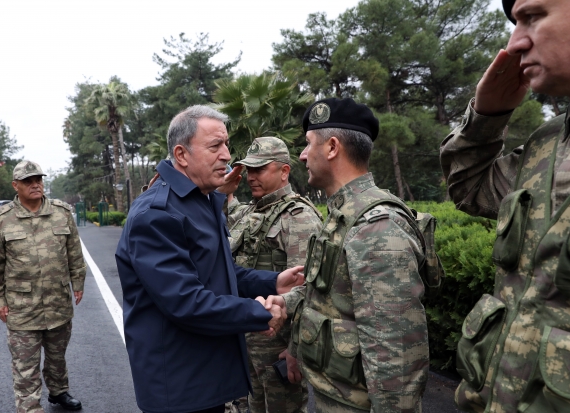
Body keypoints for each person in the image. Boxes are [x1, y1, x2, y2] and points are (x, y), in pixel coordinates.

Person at [440, 0, 570, 411]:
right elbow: (470, 188)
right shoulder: (547, 145)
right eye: (513, 22)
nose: (515, 43)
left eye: (533, 16)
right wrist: (487, 115)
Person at [115, 105, 305, 413]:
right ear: (182, 155)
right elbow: (185, 301)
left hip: (204, 374)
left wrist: (272, 281)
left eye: (226, 144)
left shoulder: (198, 200)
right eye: (215, 146)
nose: (227, 155)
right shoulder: (158, 214)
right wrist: (258, 313)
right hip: (179, 385)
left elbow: (218, 272)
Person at [266, 98, 430, 412]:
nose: (302, 155)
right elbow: (327, 296)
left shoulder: (377, 227)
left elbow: (395, 352)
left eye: (307, 144)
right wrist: (288, 311)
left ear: (331, 148)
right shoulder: (341, 216)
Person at [224, 136, 323, 413]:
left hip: (277, 343)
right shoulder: (252, 212)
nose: (251, 177)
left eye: (260, 169)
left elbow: (307, 290)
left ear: (283, 171)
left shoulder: (298, 217)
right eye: (249, 170)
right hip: (247, 336)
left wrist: (295, 349)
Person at [0, 160, 85, 413]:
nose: (35, 184)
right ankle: (30, 407)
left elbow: (74, 253)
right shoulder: (1, 220)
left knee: (56, 357)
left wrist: (78, 283)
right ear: (15, 185)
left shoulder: (61, 213)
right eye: (28, 181)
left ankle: (59, 391)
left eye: (38, 179)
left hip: (58, 302)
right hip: (22, 308)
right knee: (25, 365)